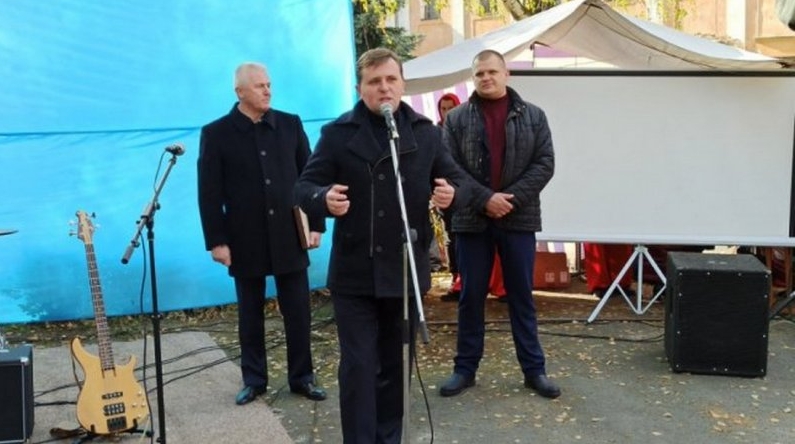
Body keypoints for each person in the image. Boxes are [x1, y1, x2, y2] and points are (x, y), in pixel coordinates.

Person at [294, 48, 470, 444]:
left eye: (391, 80)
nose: (384, 88)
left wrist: (452, 193)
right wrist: (323, 198)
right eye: (375, 82)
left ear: (403, 84)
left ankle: (389, 437)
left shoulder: (425, 133)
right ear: (360, 89)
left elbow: (457, 180)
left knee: (395, 365)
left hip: (404, 272)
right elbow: (303, 187)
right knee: (359, 366)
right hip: (355, 274)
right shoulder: (338, 134)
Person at [197, 62, 327, 406]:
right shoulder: (216, 133)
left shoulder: (290, 124)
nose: (267, 90)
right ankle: (254, 380)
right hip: (245, 238)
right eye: (259, 86)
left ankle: (303, 377)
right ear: (240, 92)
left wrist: (316, 223)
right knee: (250, 314)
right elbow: (209, 192)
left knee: (298, 311)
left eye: (269, 84)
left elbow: (311, 176)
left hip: (289, 233)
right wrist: (217, 241)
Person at [439, 49, 561, 399]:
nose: (486, 78)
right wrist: (485, 200)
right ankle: (465, 370)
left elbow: (545, 163)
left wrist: (510, 199)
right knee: (470, 296)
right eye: (479, 73)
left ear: (507, 74)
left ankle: (534, 371)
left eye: (492, 71)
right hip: (471, 220)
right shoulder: (456, 119)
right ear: (473, 78)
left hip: (518, 218)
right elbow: (449, 167)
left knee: (521, 296)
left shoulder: (534, 116)